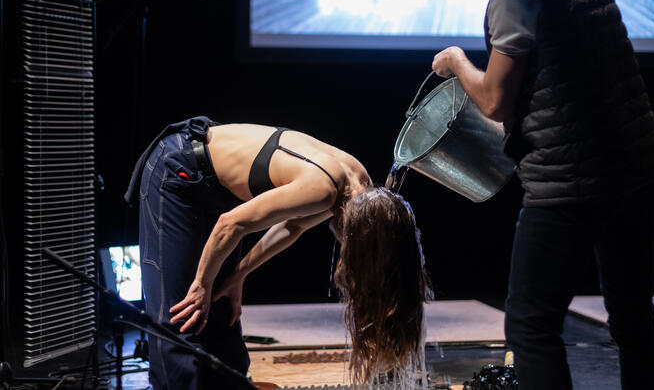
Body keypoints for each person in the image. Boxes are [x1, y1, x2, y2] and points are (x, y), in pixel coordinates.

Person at [431, 0, 654, 390]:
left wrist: (455, 61)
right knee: (632, 318)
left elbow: (495, 100)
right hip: (637, 167)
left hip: (571, 183)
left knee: (531, 325)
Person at [124, 116, 430, 390]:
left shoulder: (357, 185)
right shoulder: (323, 188)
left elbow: (292, 227)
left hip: (213, 187)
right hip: (178, 170)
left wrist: (238, 275)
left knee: (220, 307)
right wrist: (202, 282)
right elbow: (230, 224)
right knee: (182, 313)